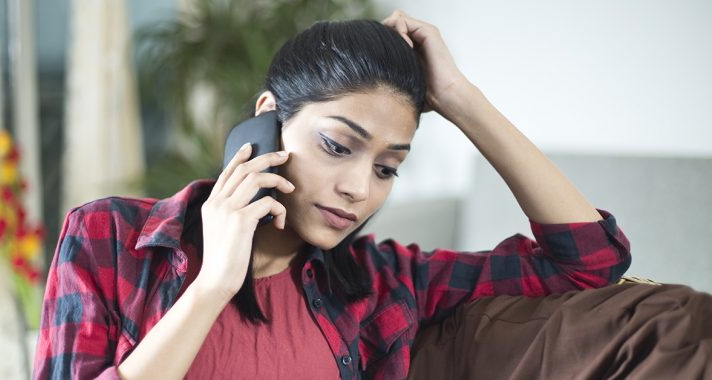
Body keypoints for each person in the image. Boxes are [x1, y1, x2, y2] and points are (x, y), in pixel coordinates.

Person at [34, 10, 635, 380]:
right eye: (338, 145)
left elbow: (590, 261)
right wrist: (214, 283)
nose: (358, 188)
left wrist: (459, 98)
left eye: (387, 168)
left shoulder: (382, 282)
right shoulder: (111, 237)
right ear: (267, 120)